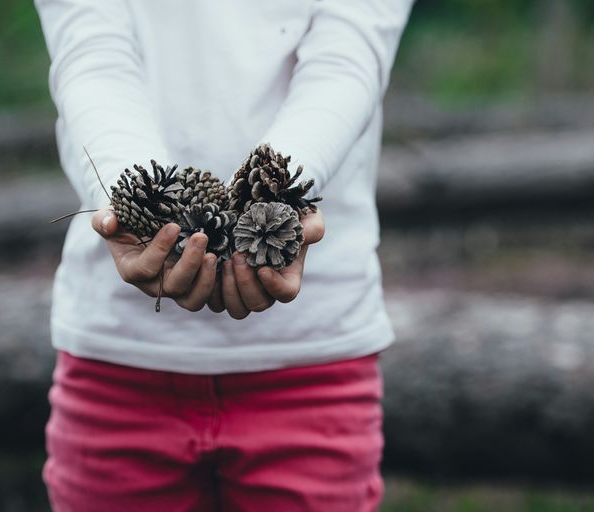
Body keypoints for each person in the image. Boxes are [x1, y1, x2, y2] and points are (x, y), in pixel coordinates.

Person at [34, 0, 414, 510]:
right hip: (117, 362)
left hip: (313, 360)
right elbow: (93, 54)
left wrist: (278, 200)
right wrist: (135, 205)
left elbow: (347, 59)